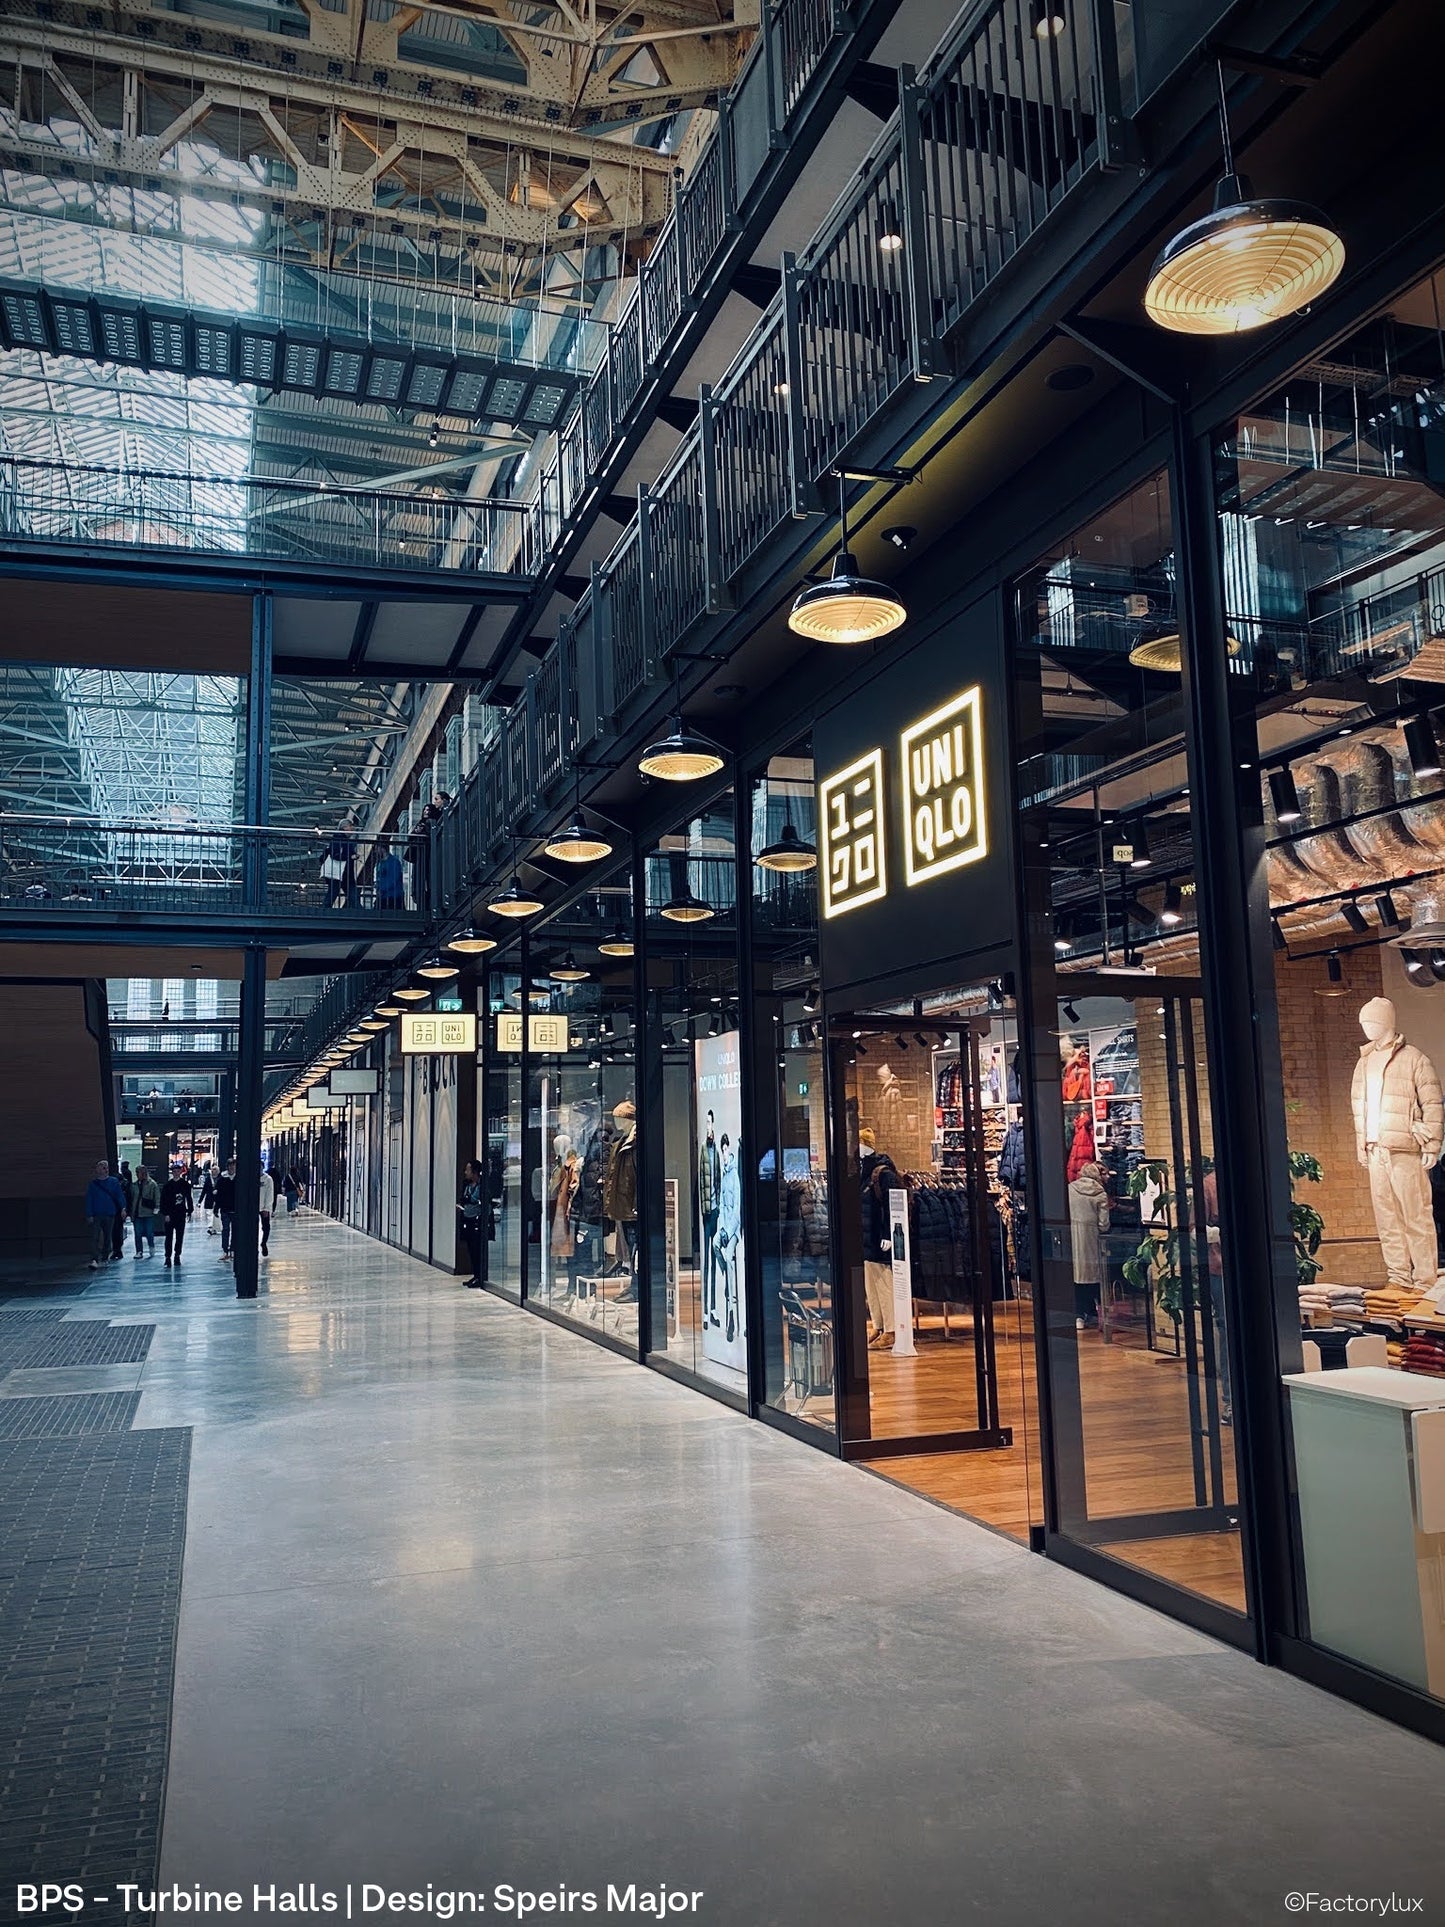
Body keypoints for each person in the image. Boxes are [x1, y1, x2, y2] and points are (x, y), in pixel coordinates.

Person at [858, 1127, 903, 1348]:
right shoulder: (862, 1172)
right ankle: (878, 1325)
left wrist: (888, 1234)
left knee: (884, 1284)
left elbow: (890, 1206)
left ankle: (892, 1328)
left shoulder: (882, 1173)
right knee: (870, 1285)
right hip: (866, 1239)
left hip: (879, 1238)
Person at [85, 1160, 127, 1270]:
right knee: (95, 1237)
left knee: (108, 1236)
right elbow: (89, 1200)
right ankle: (95, 1258)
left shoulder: (113, 1182)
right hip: (97, 1214)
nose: (104, 1169)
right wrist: (89, 1214)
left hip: (109, 1213)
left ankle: (104, 1257)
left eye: (105, 1167)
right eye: (102, 1167)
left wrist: (123, 1208)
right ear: (97, 1170)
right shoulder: (93, 1185)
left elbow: (119, 1196)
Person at [457, 1158, 486, 1288]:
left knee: (476, 1250)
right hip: (467, 1219)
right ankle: (475, 1274)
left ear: (474, 1172)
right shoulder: (467, 1185)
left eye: (468, 1170)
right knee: (470, 1249)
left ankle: (480, 1276)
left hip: (476, 1221)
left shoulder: (481, 1187)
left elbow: (476, 1201)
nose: (465, 1172)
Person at [160, 1161, 193, 1267]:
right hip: (170, 1214)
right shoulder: (167, 1186)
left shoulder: (185, 1185)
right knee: (168, 1237)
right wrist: (165, 1214)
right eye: (174, 1171)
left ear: (180, 1172)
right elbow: (163, 1201)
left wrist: (190, 1211)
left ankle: (177, 1255)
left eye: (178, 1171)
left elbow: (189, 1198)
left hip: (180, 1214)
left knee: (179, 1236)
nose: (176, 1173)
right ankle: (168, 1257)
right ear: (172, 1172)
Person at [322, 815, 357, 909]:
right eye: (351, 826)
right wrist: (350, 856)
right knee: (348, 892)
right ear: (344, 827)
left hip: (342, 872)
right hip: (341, 872)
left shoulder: (341, 840)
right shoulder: (339, 840)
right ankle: (359, 911)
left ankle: (325, 909)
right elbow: (335, 855)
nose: (353, 828)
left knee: (335, 892)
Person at [132, 1164, 160, 1259]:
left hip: (148, 1212)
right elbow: (133, 1198)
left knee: (149, 1232)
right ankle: (139, 1251)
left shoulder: (152, 1184)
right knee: (138, 1233)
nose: (137, 1174)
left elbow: (157, 1197)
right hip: (137, 1212)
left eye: (138, 1172)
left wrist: (156, 1207)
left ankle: (151, 1246)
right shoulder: (135, 1185)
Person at [374, 839, 405, 913]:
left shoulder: (394, 862)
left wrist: (381, 889)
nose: (375, 851)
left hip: (393, 896)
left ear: (382, 848)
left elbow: (393, 879)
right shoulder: (380, 863)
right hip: (384, 895)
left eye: (376, 848)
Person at [215, 1157, 237, 1260]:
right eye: (230, 1165)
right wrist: (216, 1208)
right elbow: (219, 1195)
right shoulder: (222, 1180)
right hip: (225, 1209)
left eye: (233, 1165)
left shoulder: (239, 1179)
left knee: (235, 1231)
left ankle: (232, 1249)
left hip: (235, 1209)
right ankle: (225, 1250)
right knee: (226, 1230)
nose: (231, 1167)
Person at [114, 1160, 134, 1260]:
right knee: (118, 1228)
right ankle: (117, 1249)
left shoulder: (120, 1178)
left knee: (116, 1229)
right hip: (120, 1207)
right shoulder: (126, 1178)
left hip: (116, 1208)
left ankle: (116, 1250)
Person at [259, 1165, 275, 1258]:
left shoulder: (268, 1179)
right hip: (254, 1207)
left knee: (266, 1227)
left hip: (264, 1207)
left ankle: (264, 1243)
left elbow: (270, 1194)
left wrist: (267, 1208)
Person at [200, 1162, 216, 1232]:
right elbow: (204, 1191)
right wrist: (199, 1201)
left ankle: (213, 1227)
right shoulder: (208, 1179)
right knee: (210, 1214)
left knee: (213, 1214)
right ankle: (211, 1227)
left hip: (216, 1200)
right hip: (209, 1200)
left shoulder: (220, 1179)